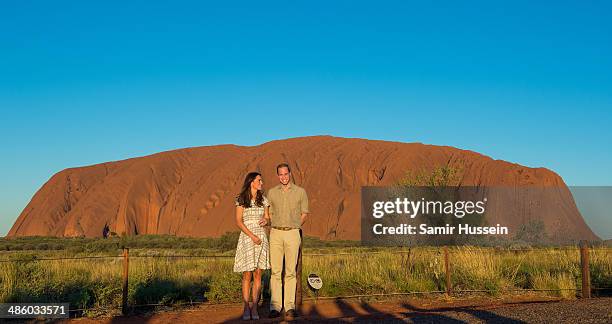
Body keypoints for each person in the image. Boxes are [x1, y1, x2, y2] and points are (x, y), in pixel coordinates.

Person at [267, 163, 309, 319]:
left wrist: (296, 226)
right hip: (276, 232)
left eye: (286, 174)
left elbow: (304, 212)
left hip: (292, 233)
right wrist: (272, 222)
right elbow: (269, 212)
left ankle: (289, 306)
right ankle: (275, 306)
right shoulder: (272, 193)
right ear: (277, 175)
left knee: (291, 271)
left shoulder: (300, 192)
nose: (283, 177)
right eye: (280, 174)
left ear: (290, 174)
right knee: (276, 271)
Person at [233, 172, 270, 320]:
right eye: (259, 180)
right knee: (247, 274)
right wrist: (252, 236)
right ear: (251, 182)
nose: (261, 183)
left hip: (261, 237)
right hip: (248, 238)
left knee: (258, 273)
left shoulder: (264, 200)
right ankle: (246, 307)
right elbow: (238, 221)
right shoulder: (241, 199)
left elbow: (267, 216)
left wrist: (265, 221)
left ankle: (255, 307)